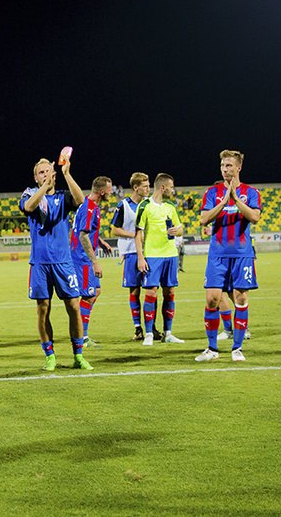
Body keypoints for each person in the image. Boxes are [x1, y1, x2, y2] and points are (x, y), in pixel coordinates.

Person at [20, 154, 92, 371]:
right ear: (35, 177)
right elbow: (29, 207)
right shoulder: (30, 194)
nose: (45, 174)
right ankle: (49, 355)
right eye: (41, 172)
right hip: (40, 264)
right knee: (43, 309)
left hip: (63, 263)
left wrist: (66, 174)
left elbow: (80, 200)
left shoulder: (62, 197)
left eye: (47, 171)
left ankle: (78, 355)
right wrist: (44, 186)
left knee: (73, 306)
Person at [195, 150, 261, 363]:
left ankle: (237, 348)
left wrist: (235, 199)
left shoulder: (251, 192)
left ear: (239, 167)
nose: (226, 169)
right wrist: (224, 202)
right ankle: (212, 348)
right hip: (217, 254)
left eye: (230, 166)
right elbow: (204, 219)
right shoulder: (212, 192)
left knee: (241, 299)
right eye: (223, 166)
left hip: (242, 254)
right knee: (212, 299)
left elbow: (254, 217)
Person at [135, 173, 186, 345]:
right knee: (151, 293)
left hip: (170, 255)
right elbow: (138, 233)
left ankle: (168, 333)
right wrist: (141, 257)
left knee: (169, 292)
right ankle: (149, 333)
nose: (173, 190)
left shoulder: (170, 206)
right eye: (171, 187)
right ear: (163, 187)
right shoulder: (145, 206)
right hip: (153, 255)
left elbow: (180, 229)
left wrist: (176, 231)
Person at [71, 176, 114, 346]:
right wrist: (95, 261)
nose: (111, 193)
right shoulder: (89, 208)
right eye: (109, 190)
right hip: (82, 259)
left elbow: (87, 230)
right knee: (88, 296)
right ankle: (82, 337)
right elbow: (82, 235)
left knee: (95, 292)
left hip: (83, 257)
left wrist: (100, 241)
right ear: (102, 191)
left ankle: (82, 334)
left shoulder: (89, 205)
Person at [110, 172, 151, 340]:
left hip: (150, 252)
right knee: (134, 291)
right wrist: (134, 235)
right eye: (145, 186)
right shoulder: (123, 206)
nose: (149, 188)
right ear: (136, 187)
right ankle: (138, 328)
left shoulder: (150, 204)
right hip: (131, 252)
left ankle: (151, 328)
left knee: (151, 291)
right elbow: (114, 229)